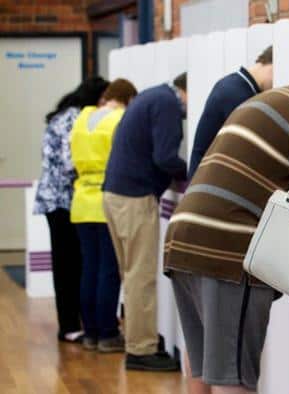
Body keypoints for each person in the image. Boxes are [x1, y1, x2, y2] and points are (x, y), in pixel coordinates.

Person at [164, 82, 289, 394]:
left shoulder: (271, 101)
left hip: (183, 238)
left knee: (202, 367)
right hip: (228, 250)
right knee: (234, 378)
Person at [102, 73, 188, 372]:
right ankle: (141, 349)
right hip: (134, 197)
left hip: (116, 194)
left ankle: (139, 341)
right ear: (185, 91)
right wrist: (193, 172)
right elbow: (165, 157)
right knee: (141, 276)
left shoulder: (152, 96)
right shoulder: (168, 104)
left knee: (132, 274)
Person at [33, 76, 109, 344]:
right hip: (63, 200)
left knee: (68, 263)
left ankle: (70, 322)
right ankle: (68, 325)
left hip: (55, 199)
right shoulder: (75, 118)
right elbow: (69, 161)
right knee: (68, 264)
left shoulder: (64, 115)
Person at [69, 79, 137, 352]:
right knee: (109, 271)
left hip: (81, 201)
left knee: (89, 269)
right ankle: (108, 332)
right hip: (108, 200)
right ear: (128, 99)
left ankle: (90, 332)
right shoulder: (119, 120)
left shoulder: (82, 118)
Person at [188, 46, 274, 178]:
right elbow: (248, 148)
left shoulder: (234, 84)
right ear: (271, 66)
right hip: (208, 181)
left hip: (204, 179)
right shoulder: (237, 94)